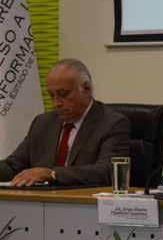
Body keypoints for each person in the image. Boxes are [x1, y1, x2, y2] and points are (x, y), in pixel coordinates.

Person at [0, 59, 130, 186]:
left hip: (81, 199)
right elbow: (13, 166)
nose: (56, 103)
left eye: (63, 94)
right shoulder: (42, 122)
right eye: (51, 95)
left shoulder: (112, 123)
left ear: (87, 88)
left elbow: (108, 171)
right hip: (40, 199)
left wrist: (52, 174)